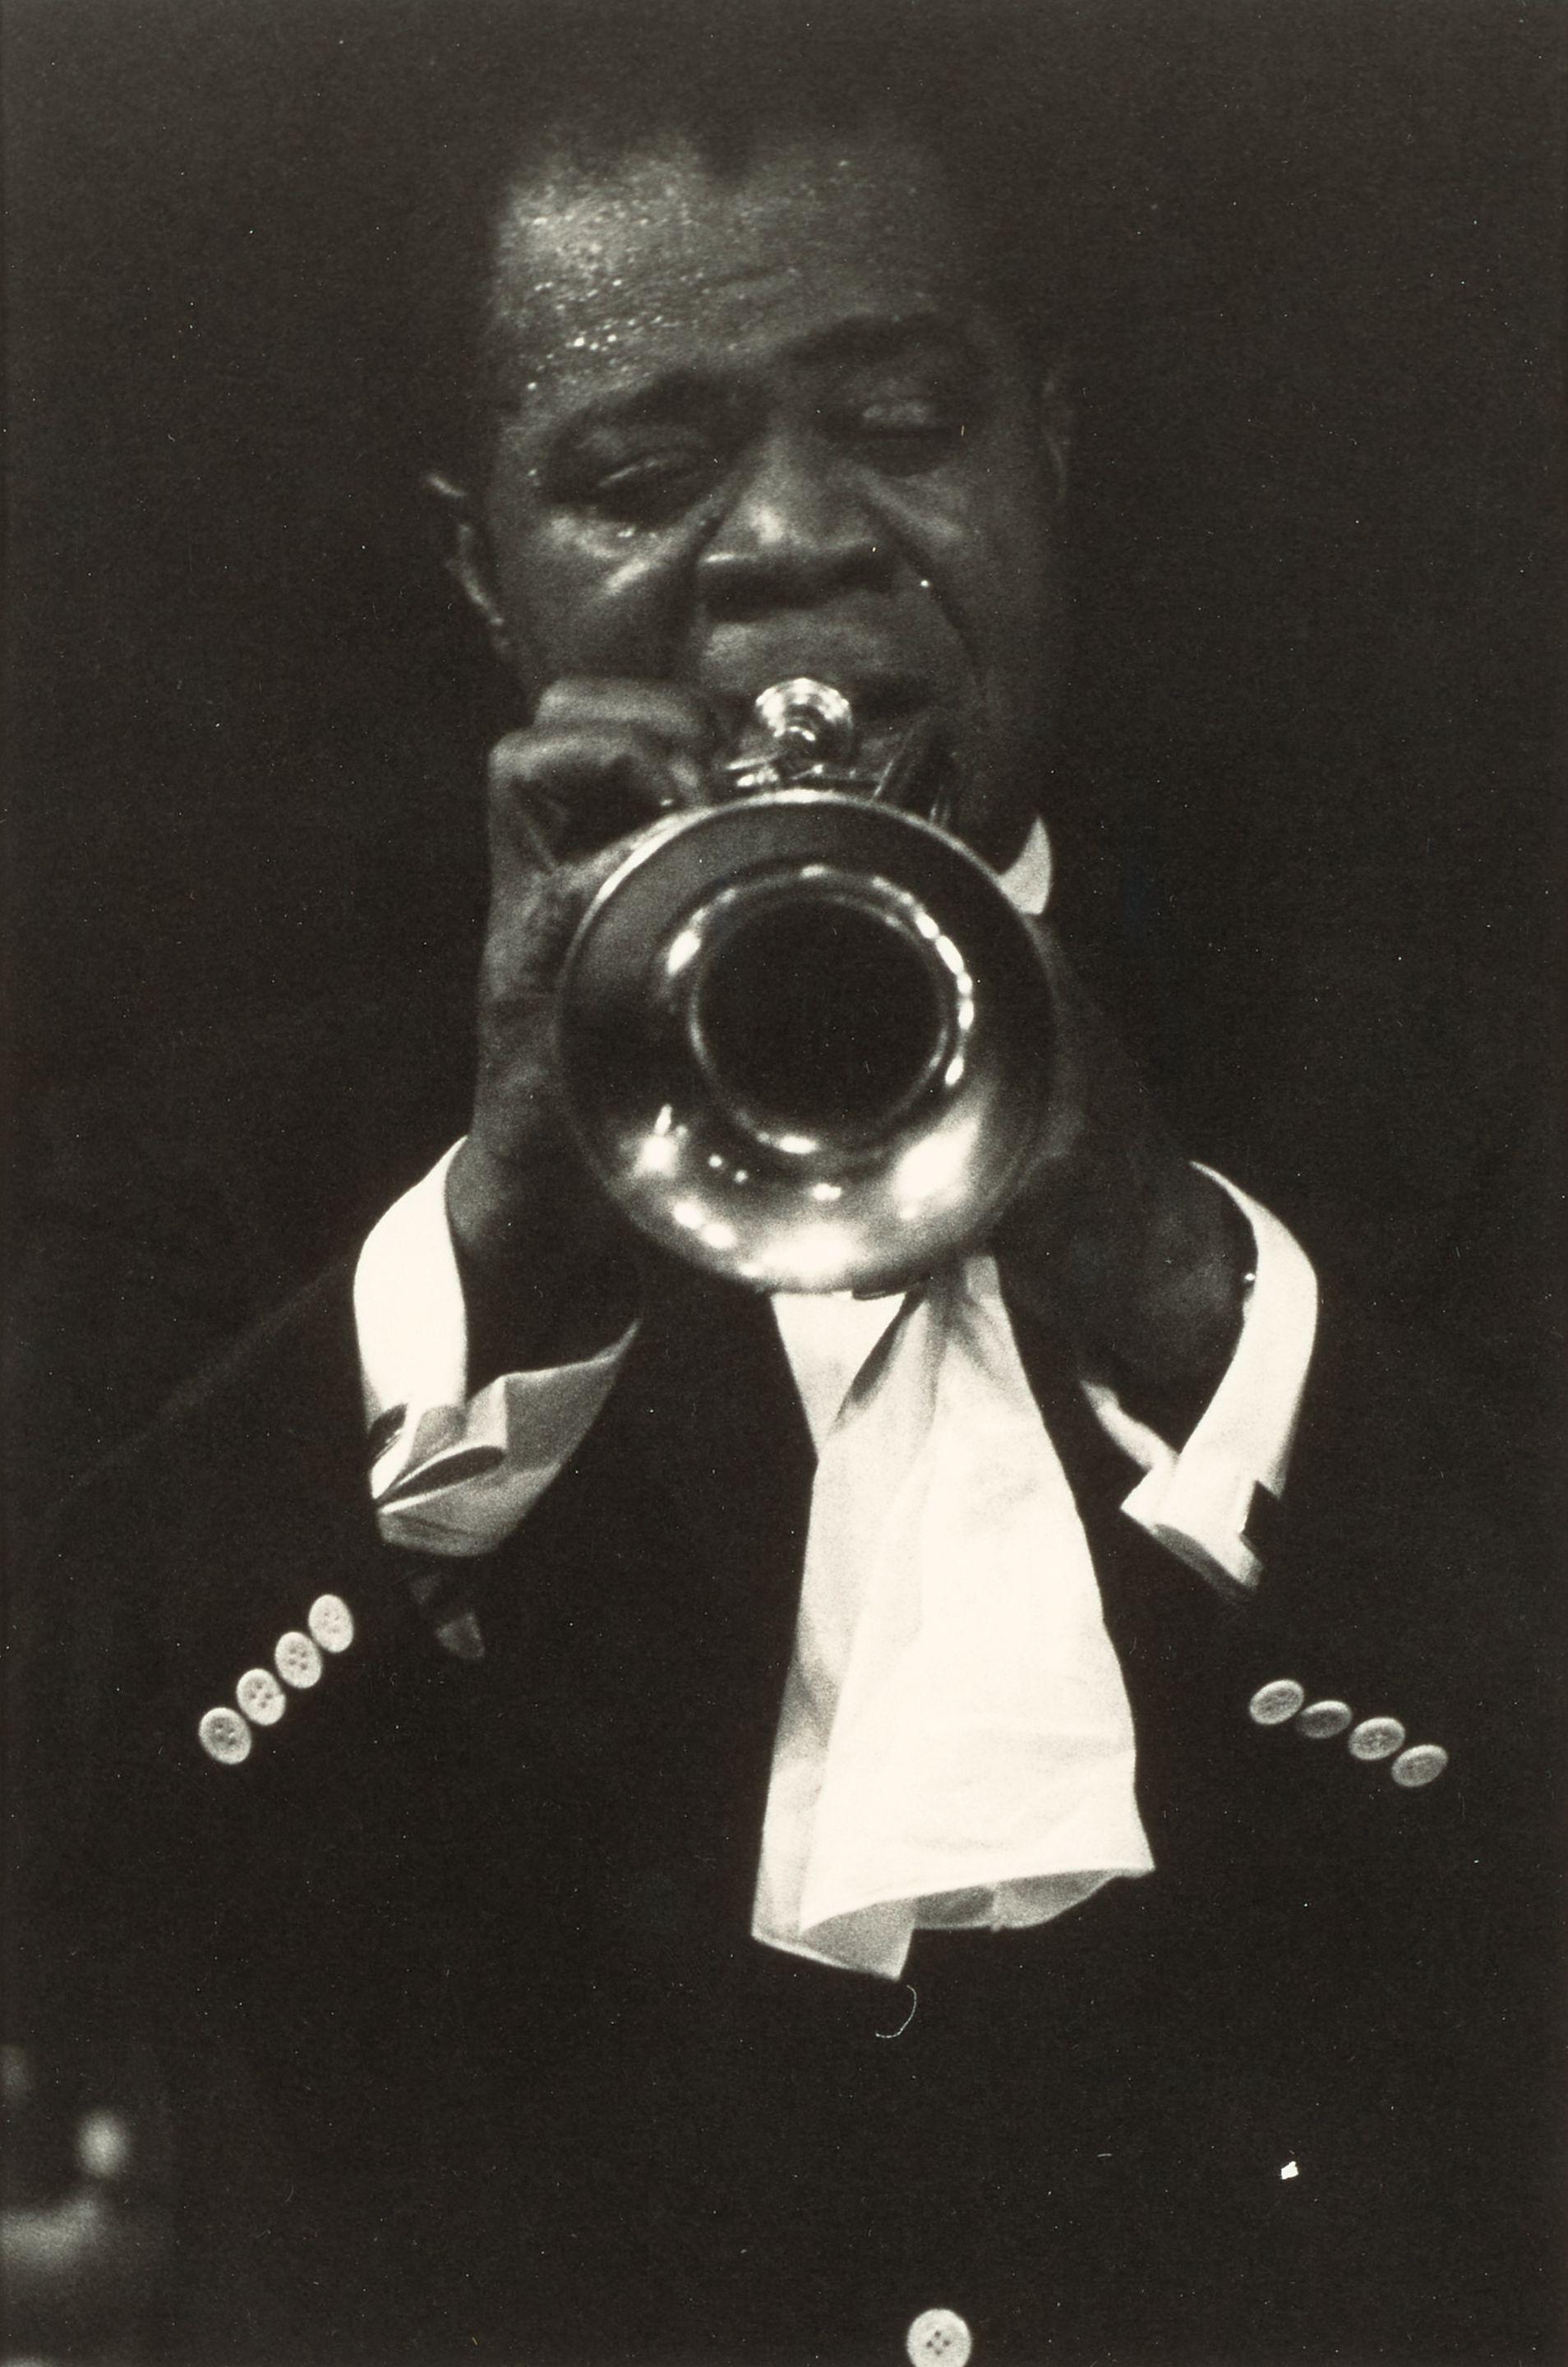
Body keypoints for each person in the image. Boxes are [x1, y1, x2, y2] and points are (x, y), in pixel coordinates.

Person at [7, 13, 1560, 2364]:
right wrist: (485, 1257)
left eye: (903, 426)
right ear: (482, 567)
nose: (797, 542)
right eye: (642, 468)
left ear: (1048, 450)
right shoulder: (193, 1172)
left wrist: (1173, 1278)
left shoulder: (1461, 1084)